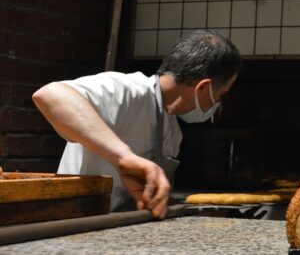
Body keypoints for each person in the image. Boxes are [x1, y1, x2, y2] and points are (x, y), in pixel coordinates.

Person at [32, 30, 241, 219]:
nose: (217, 104)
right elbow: (50, 95)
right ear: (203, 88)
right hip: (76, 225)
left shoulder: (172, 129)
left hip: (119, 231)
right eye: (220, 95)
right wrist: (124, 157)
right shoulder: (128, 90)